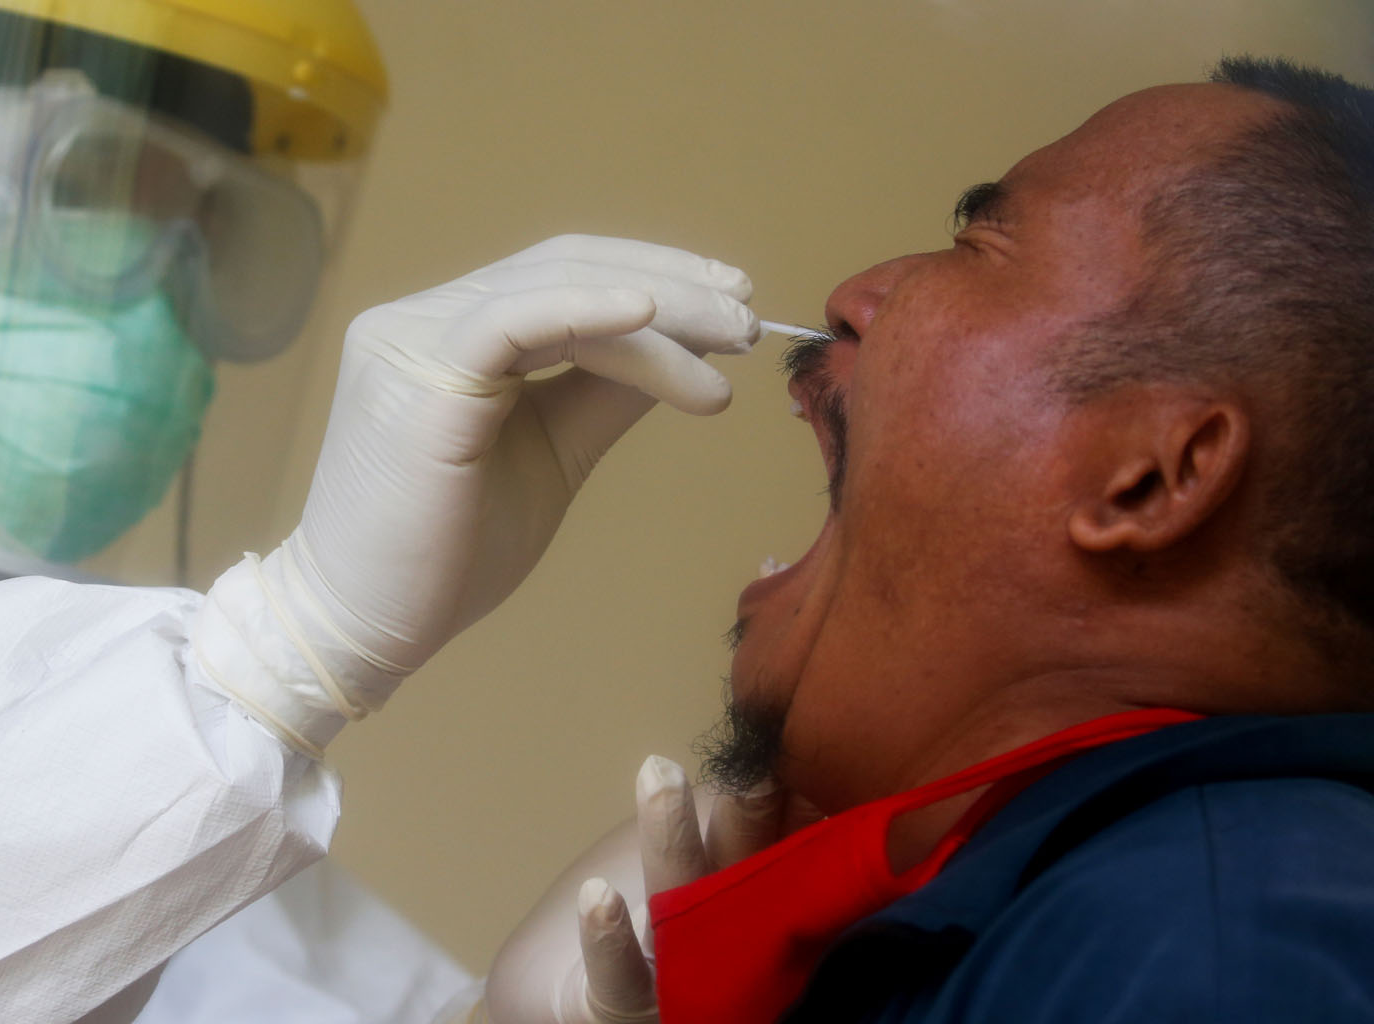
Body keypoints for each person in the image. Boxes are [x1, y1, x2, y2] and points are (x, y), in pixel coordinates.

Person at [0, 2, 759, 1021]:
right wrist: (280, 652)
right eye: (85, 195)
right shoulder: (185, 762)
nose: (153, 325)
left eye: (206, 238)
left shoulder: (177, 837)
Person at [467, 56, 1374, 1023]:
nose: (856, 295)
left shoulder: (1214, 960)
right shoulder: (1128, 918)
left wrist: (307, 657)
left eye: (981, 239)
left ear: (1149, 477)